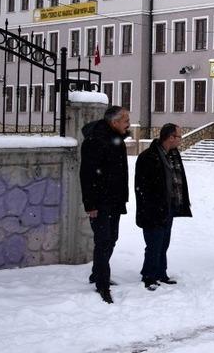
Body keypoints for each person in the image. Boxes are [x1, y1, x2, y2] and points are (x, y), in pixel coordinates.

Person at [80, 105, 130, 304]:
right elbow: (87, 174)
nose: (128, 124)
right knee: (103, 241)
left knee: (112, 238)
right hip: (100, 202)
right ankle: (102, 283)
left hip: (114, 200)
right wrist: (90, 204)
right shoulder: (95, 141)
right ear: (114, 122)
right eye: (125, 120)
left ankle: (96, 273)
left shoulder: (117, 139)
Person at [134, 123, 192, 290]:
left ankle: (160, 272)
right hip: (153, 208)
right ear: (170, 137)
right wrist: (150, 206)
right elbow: (143, 186)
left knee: (163, 242)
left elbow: (178, 180)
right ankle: (149, 276)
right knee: (154, 242)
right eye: (178, 136)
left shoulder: (173, 154)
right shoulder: (149, 156)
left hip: (169, 207)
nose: (180, 139)